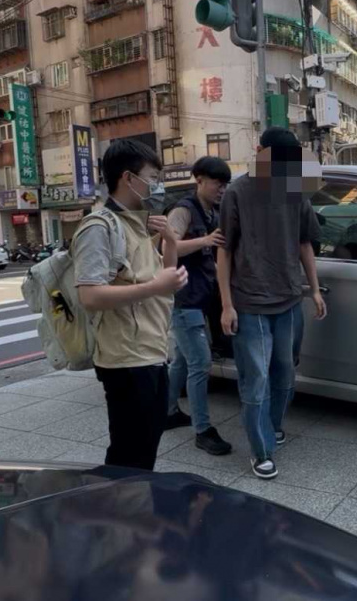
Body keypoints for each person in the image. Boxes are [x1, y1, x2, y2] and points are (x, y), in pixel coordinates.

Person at [217, 127, 327, 479]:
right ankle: (260, 450)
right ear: (259, 151)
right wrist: (226, 304)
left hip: (289, 299)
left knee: (285, 375)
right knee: (256, 380)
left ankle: (272, 425)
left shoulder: (296, 190)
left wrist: (314, 289)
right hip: (249, 303)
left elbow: (304, 243)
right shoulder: (236, 192)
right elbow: (224, 250)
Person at [74, 139, 187, 471]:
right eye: (153, 177)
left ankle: (132, 500)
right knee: (129, 455)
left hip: (151, 352)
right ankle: (119, 502)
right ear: (128, 178)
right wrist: (155, 286)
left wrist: (170, 242)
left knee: (145, 448)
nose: (157, 186)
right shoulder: (99, 227)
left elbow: (163, 279)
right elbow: (90, 296)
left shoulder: (137, 225)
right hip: (126, 360)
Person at [165, 156, 233, 456]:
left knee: (182, 360)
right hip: (184, 300)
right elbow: (167, 248)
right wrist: (205, 240)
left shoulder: (212, 212)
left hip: (199, 298)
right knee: (200, 363)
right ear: (199, 179)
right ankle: (203, 430)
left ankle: (167, 411)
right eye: (217, 183)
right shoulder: (183, 210)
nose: (222, 189)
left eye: (225, 184)